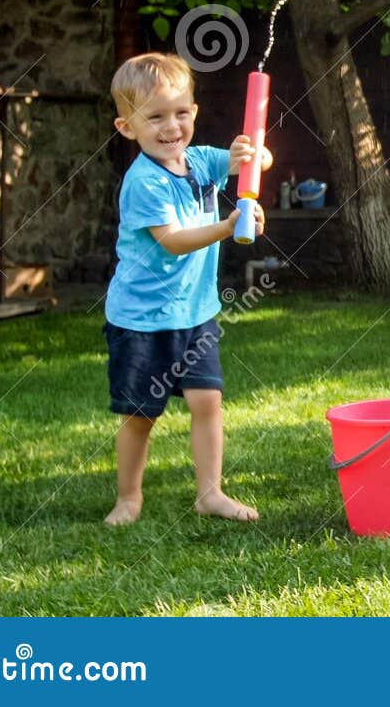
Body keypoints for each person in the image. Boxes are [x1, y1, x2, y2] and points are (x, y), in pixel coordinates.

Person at [103, 52, 267, 524]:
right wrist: (229, 224)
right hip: (141, 318)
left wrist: (249, 156)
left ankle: (209, 493)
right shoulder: (143, 182)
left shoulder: (199, 161)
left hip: (194, 313)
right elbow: (173, 241)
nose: (171, 126)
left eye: (180, 113)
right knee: (141, 414)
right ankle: (129, 497)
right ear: (127, 127)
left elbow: (253, 162)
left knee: (207, 401)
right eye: (154, 117)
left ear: (193, 113)